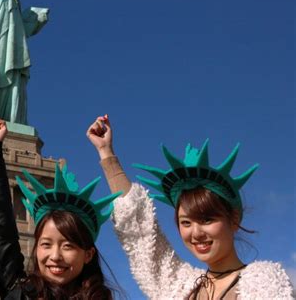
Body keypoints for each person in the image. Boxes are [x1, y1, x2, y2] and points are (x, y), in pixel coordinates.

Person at [86, 115, 295, 300]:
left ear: (234, 219)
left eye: (207, 220)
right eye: (186, 222)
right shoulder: (178, 285)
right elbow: (140, 233)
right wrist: (107, 154)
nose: (196, 233)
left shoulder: (264, 282)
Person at [0, 119, 121, 299]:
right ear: (36, 247)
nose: (55, 256)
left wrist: (106, 153)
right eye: (46, 244)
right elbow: (2, 230)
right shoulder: (22, 292)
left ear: (88, 254)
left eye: (68, 246)